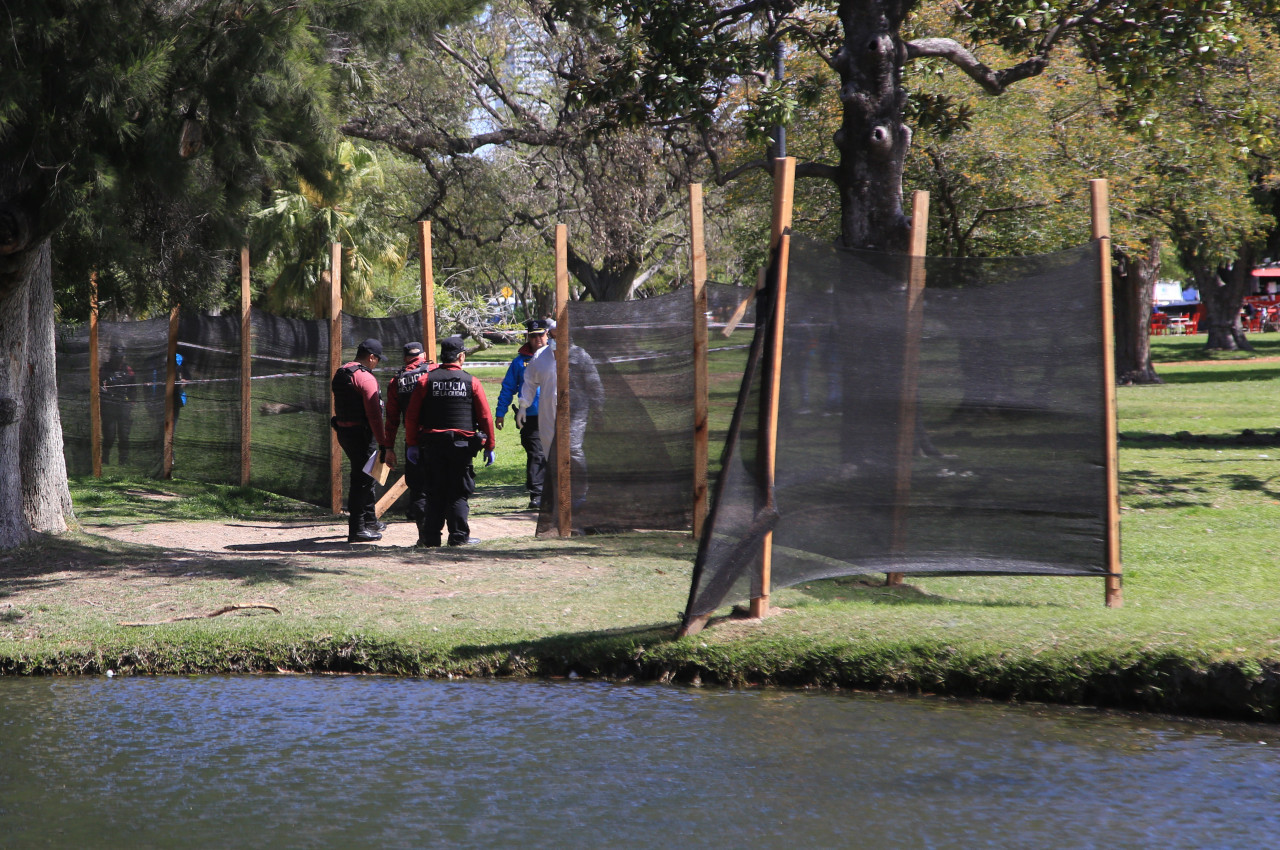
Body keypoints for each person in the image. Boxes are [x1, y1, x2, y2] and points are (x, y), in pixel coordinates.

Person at [403, 335, 496, 547]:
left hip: (433, 446)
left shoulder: (426, 380)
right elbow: (484, 417)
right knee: (457, 493)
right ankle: (459, 537)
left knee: (435, 492)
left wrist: (413, 444)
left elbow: (411, 416)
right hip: (461, 448)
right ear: (461, 356)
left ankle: (431, 538)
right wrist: (489, 445)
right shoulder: (471, 381)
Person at [517, 320, 604, 512]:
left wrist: (598, 410)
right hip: (548, 411)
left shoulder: (580, 355)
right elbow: (530, 381)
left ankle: (580, 494)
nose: (556, 338)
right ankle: (559, 494)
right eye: (553, 334)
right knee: (550, 450)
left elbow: (594, 384)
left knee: (572, 449)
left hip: (576, 411)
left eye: (559, 334)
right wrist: (523, 405)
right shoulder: (541, 355)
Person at [330, 337, 395, 543]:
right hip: (362, 435)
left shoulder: (342, 372)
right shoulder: (365, 378)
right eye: (377, 360)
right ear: (371, 357)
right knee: (362, 482)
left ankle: (369, 520)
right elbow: (375, 415)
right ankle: (357, 529)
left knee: (367, 476)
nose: (377, 364)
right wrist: (384, 443)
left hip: (345, 433)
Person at [495, 318, 549, 510]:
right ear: (528, 337)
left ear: (547, 334)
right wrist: (500, 413)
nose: (537, 339)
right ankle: (537, 494)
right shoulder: (519, 362)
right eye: (533, 336)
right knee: (536, 454)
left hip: (555, 414)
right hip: (531, 417)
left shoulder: (556, 356)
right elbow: (508, 387)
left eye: (540, 335)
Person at [384, 340, 433, 525]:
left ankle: (418, 518)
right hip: (436, 436)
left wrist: (388, 447)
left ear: (405, 359)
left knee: (417, 483)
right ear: (424, 356)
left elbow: (392, 419)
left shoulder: (396, 381)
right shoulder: (434, 371)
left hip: (412, 439)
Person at [100, 344, 137, 465]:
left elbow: (133, 388)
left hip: (124, 406)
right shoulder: (105, 369)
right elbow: (98, 385)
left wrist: (131, 402)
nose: (119, 359)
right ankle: (105, 459)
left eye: (121, 357)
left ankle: (123, 460)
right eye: (117, 357)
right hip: (109, 406)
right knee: (109, 435)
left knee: (124, 434)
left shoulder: (128, 370)